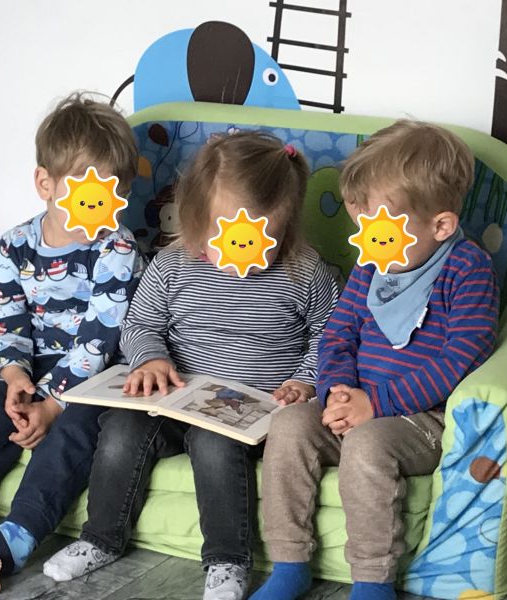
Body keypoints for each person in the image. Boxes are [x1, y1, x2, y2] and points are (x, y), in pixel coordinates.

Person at [44, 131, 340, 600]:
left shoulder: (305, 272)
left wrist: (304, 380)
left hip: (247, 416)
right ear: (197, 221)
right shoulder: (172, 265)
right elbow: (139, 323)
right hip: (175, 401)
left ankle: (227, 560)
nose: (241, 253)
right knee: (120, 428)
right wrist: (150, 358)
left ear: (286, 225)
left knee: (212, 443)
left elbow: (332, 336)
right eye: (227, 237)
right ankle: (101, 537)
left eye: (260, 239)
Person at [251, 120, 500, 600]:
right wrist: (337, 392)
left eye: (380, 230)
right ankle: (289, 563)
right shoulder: (372, 264)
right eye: (363, 228)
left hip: (422, 419)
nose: (368, 240)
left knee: (367, 445)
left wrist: (376, 405)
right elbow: (338, 334)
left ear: (441, 226)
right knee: (288, 425)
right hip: (358, 404)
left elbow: (459, 362)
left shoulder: (468, 269)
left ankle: (372, 580)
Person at [0, 93, 143, 576]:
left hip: (96, 375)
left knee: (75, 433)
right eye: (90, 198)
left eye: (115, 197)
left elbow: (99, 338)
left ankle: (18, 534)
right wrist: (14, 374)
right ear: (46, 184)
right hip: (32, 363)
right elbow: (6, 317)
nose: (104, 212)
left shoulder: (117, 249)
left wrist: (53, 405)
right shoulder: (15, 245)